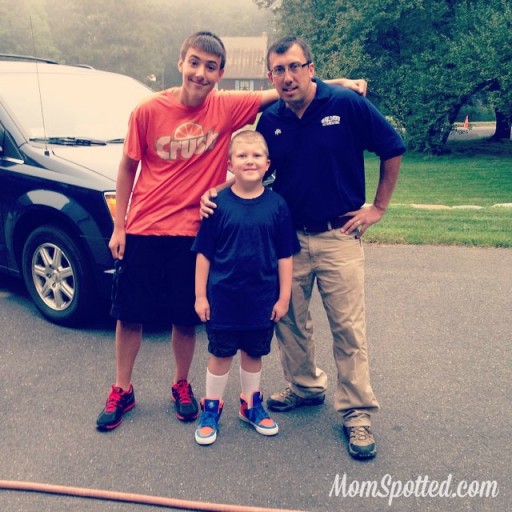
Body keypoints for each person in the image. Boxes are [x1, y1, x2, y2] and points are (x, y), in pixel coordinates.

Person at [96, 31, 366, 432]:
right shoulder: (148, 110)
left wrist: (337, 84)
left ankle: (182, 386)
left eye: (210, 67)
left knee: (185, 318)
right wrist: (120, 225)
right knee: (129, 315)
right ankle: (122, 388)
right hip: (145, 227)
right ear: (180, 62)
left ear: (220, 73)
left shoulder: (225, 107)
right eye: (194, 63)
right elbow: (127, 167)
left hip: (191, 229)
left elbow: (281, 91)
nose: (200, 73)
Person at [201, 36, 406, 459]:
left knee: (348, 328)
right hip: (287, 240)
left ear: (311, 68)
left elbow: (392, 147)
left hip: (339, 235)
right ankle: (306, 386)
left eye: (296, 67)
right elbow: (254, 166)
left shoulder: (345, 105)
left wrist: (379, 208)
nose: (288, 77)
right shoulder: (271, 118)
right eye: (279, 70)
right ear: (270, 75)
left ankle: (357, 413)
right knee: (288, 320)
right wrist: (216, 191)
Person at [192, 130, 298, 445]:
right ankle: (211, 409)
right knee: (221, 354)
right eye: (242, 156)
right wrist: (200, 296)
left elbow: (285, 255)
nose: (249, 161)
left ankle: (250, 404)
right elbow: (204, 254)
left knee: (253, 353)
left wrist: (284, 296)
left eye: (256, 156)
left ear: (267, 164)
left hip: (262, 299)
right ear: (230, 164)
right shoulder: (216, 205)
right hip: (223, 299)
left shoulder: (278, 205)